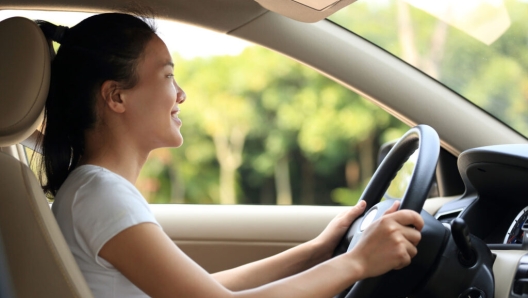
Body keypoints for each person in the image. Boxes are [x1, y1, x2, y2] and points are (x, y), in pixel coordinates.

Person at [36, 12, 424, 298]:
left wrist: (317, 251)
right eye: (168, 76)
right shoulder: (101, 195)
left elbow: (206, 289)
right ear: (116, 96)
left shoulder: (93, 190)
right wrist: (356, 262)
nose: (181, 94)